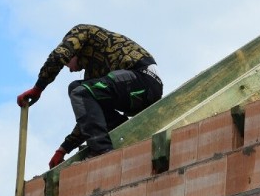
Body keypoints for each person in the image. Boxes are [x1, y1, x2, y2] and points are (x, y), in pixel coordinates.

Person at [17, 24, 163, 168]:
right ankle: (113, 135)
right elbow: (89, 116)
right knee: (84, 94)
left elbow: (59, 56)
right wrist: (63, 149)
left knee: (78, 90)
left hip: (143, 79)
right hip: (136, 92)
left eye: (68, 65)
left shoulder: (81, 32)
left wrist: (38, 88)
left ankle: (102, 150)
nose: (71, 70)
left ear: (74, 51)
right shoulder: (93, 74)